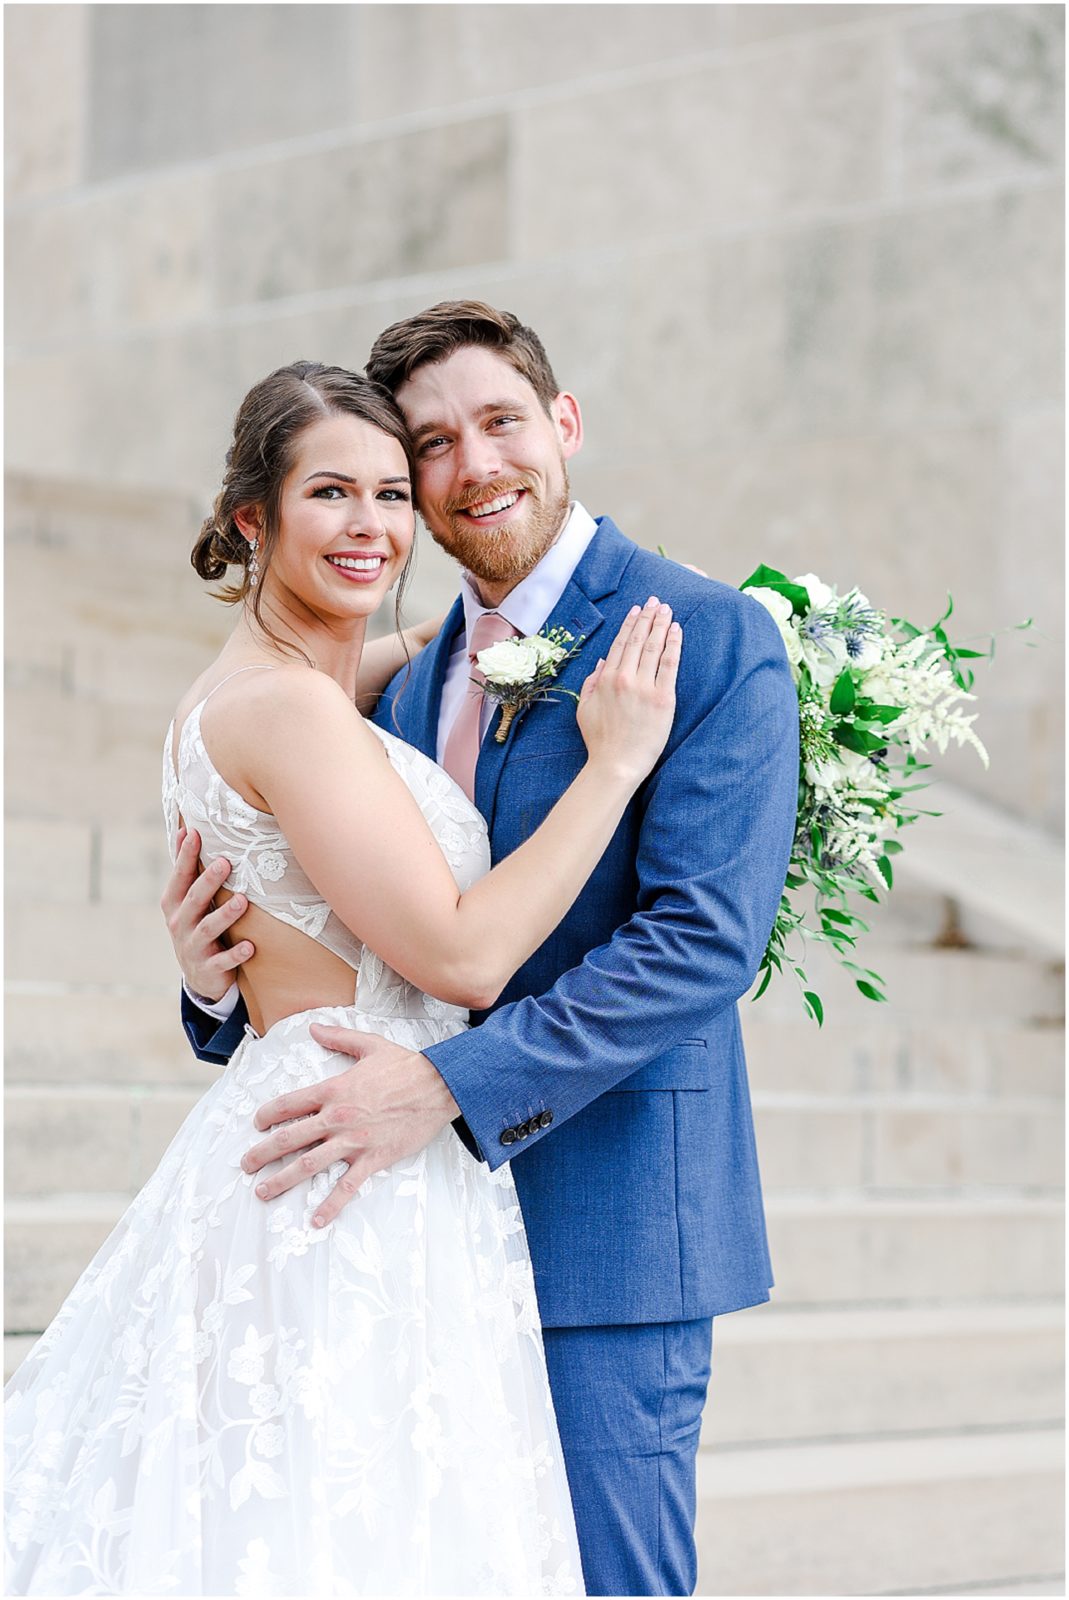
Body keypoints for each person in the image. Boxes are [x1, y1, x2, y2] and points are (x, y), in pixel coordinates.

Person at [4, 360, 684, 1597]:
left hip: (334, 1132)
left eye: (389, 491)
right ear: (251, 517)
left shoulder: (300, 688)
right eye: (329, 492)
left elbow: (402, 661)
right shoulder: (290, 711)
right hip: (350, 1163)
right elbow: (465, 955)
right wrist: (614, 765)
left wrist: (521, 605)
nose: (371, 525)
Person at [168, 304, 800, 1597]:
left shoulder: (707, 639)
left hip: (604, 1226)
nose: (475, 467)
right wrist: (212, 985)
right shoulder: (396, 682)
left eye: (500, 422)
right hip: (401, 1234)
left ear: (563, 426)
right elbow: (340, 917)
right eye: (433, 447)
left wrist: (452, 1087)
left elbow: (698, 945)